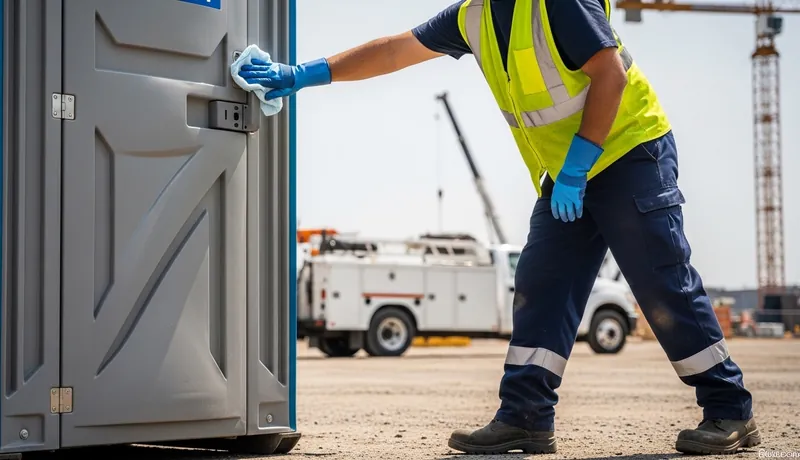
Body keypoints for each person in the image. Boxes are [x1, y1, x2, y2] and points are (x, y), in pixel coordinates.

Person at [238, 0, 759, 455]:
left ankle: (730, 410)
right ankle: (526, 418)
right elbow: (394, 51)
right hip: (569, 173)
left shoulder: (557, 2)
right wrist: (302, 74)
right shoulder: (475, 14)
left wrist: (577, 166)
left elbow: (611, 75)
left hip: (628, 152)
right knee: (542, 284)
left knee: (661, 282)